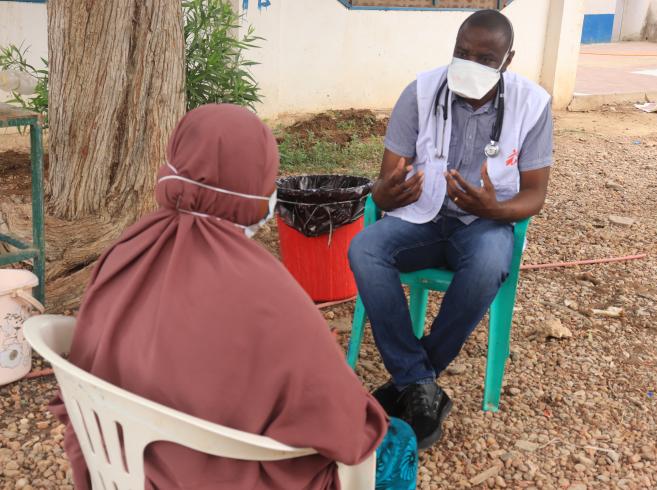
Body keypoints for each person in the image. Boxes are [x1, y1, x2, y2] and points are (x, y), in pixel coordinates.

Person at [50, 104, 418, 490]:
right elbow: (343, 422)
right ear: (252, 183)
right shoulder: (267, 293)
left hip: (120, 466)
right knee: (397, 441)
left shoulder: (123, 253)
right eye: (269, 179)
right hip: (225, 475)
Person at [348, 10, 553, 450]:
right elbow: (387, 182)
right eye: (462, 52)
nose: (469, 63)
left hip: (484, 225)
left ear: (507, 59)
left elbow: (535, 194)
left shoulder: (532, 103)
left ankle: (410, 380)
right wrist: (386, 195)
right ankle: (419, 382)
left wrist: (494, 207)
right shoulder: (420, 92)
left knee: (487, 266)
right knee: (365, 248)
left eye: (484, 57)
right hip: (422, 219)